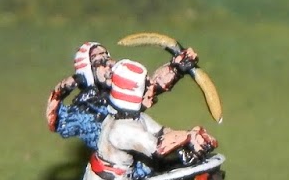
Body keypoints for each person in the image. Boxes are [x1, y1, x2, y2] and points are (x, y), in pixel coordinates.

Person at [83, 60, 220, 180]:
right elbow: (159, 148)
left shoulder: (136, 119)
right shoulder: (121, 129)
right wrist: (188, 137)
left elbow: (163, 132)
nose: (152, 89)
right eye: (146, 87)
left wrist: (190, 136)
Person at [46, 40, 198, 154]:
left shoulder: (117, 87)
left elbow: (151, 87)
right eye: (100, 62)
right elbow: (55, 121)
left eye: (107, 58)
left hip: (138, 141)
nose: (109, 65)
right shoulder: (84, 109)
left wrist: (176, 68)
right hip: (117, 159)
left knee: (177, 139)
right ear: (87, 71)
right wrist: (61, 89)